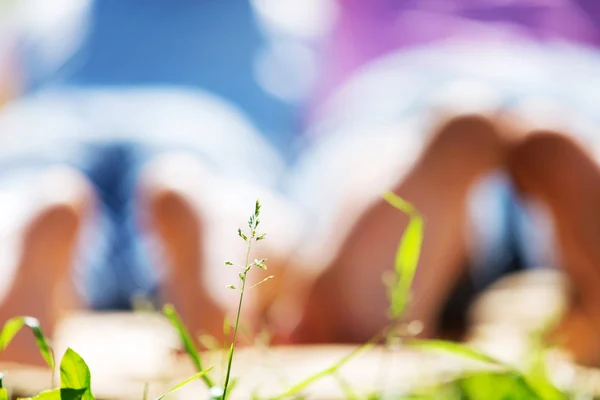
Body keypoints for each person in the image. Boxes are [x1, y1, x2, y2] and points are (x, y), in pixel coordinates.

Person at [281, 0, 600, 366]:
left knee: (374, 157)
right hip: (570, 79)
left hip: (403, 81)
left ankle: (356, 312)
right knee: (584, 140)